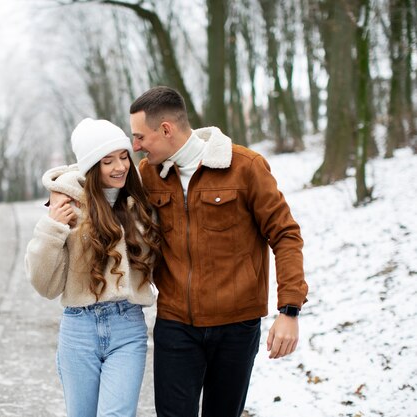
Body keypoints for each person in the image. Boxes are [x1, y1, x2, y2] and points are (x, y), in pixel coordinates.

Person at [128, 86, 309, 417]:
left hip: (236, 326)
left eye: (140, 137)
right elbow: (103, 188)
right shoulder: (147, 174)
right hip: (175, 324)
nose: (136, 146)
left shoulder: (245, 167)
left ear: (165, 129)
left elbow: (285, 234)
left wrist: (290, 309)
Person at [25, 118, 161, 417]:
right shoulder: (67, 208)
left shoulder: (139, 205)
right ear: (90, 166)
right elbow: (44, 286)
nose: (120, 167)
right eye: (107, 161)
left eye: (124, 156)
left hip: (127, 327)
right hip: (79, 329)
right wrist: (52, 229)